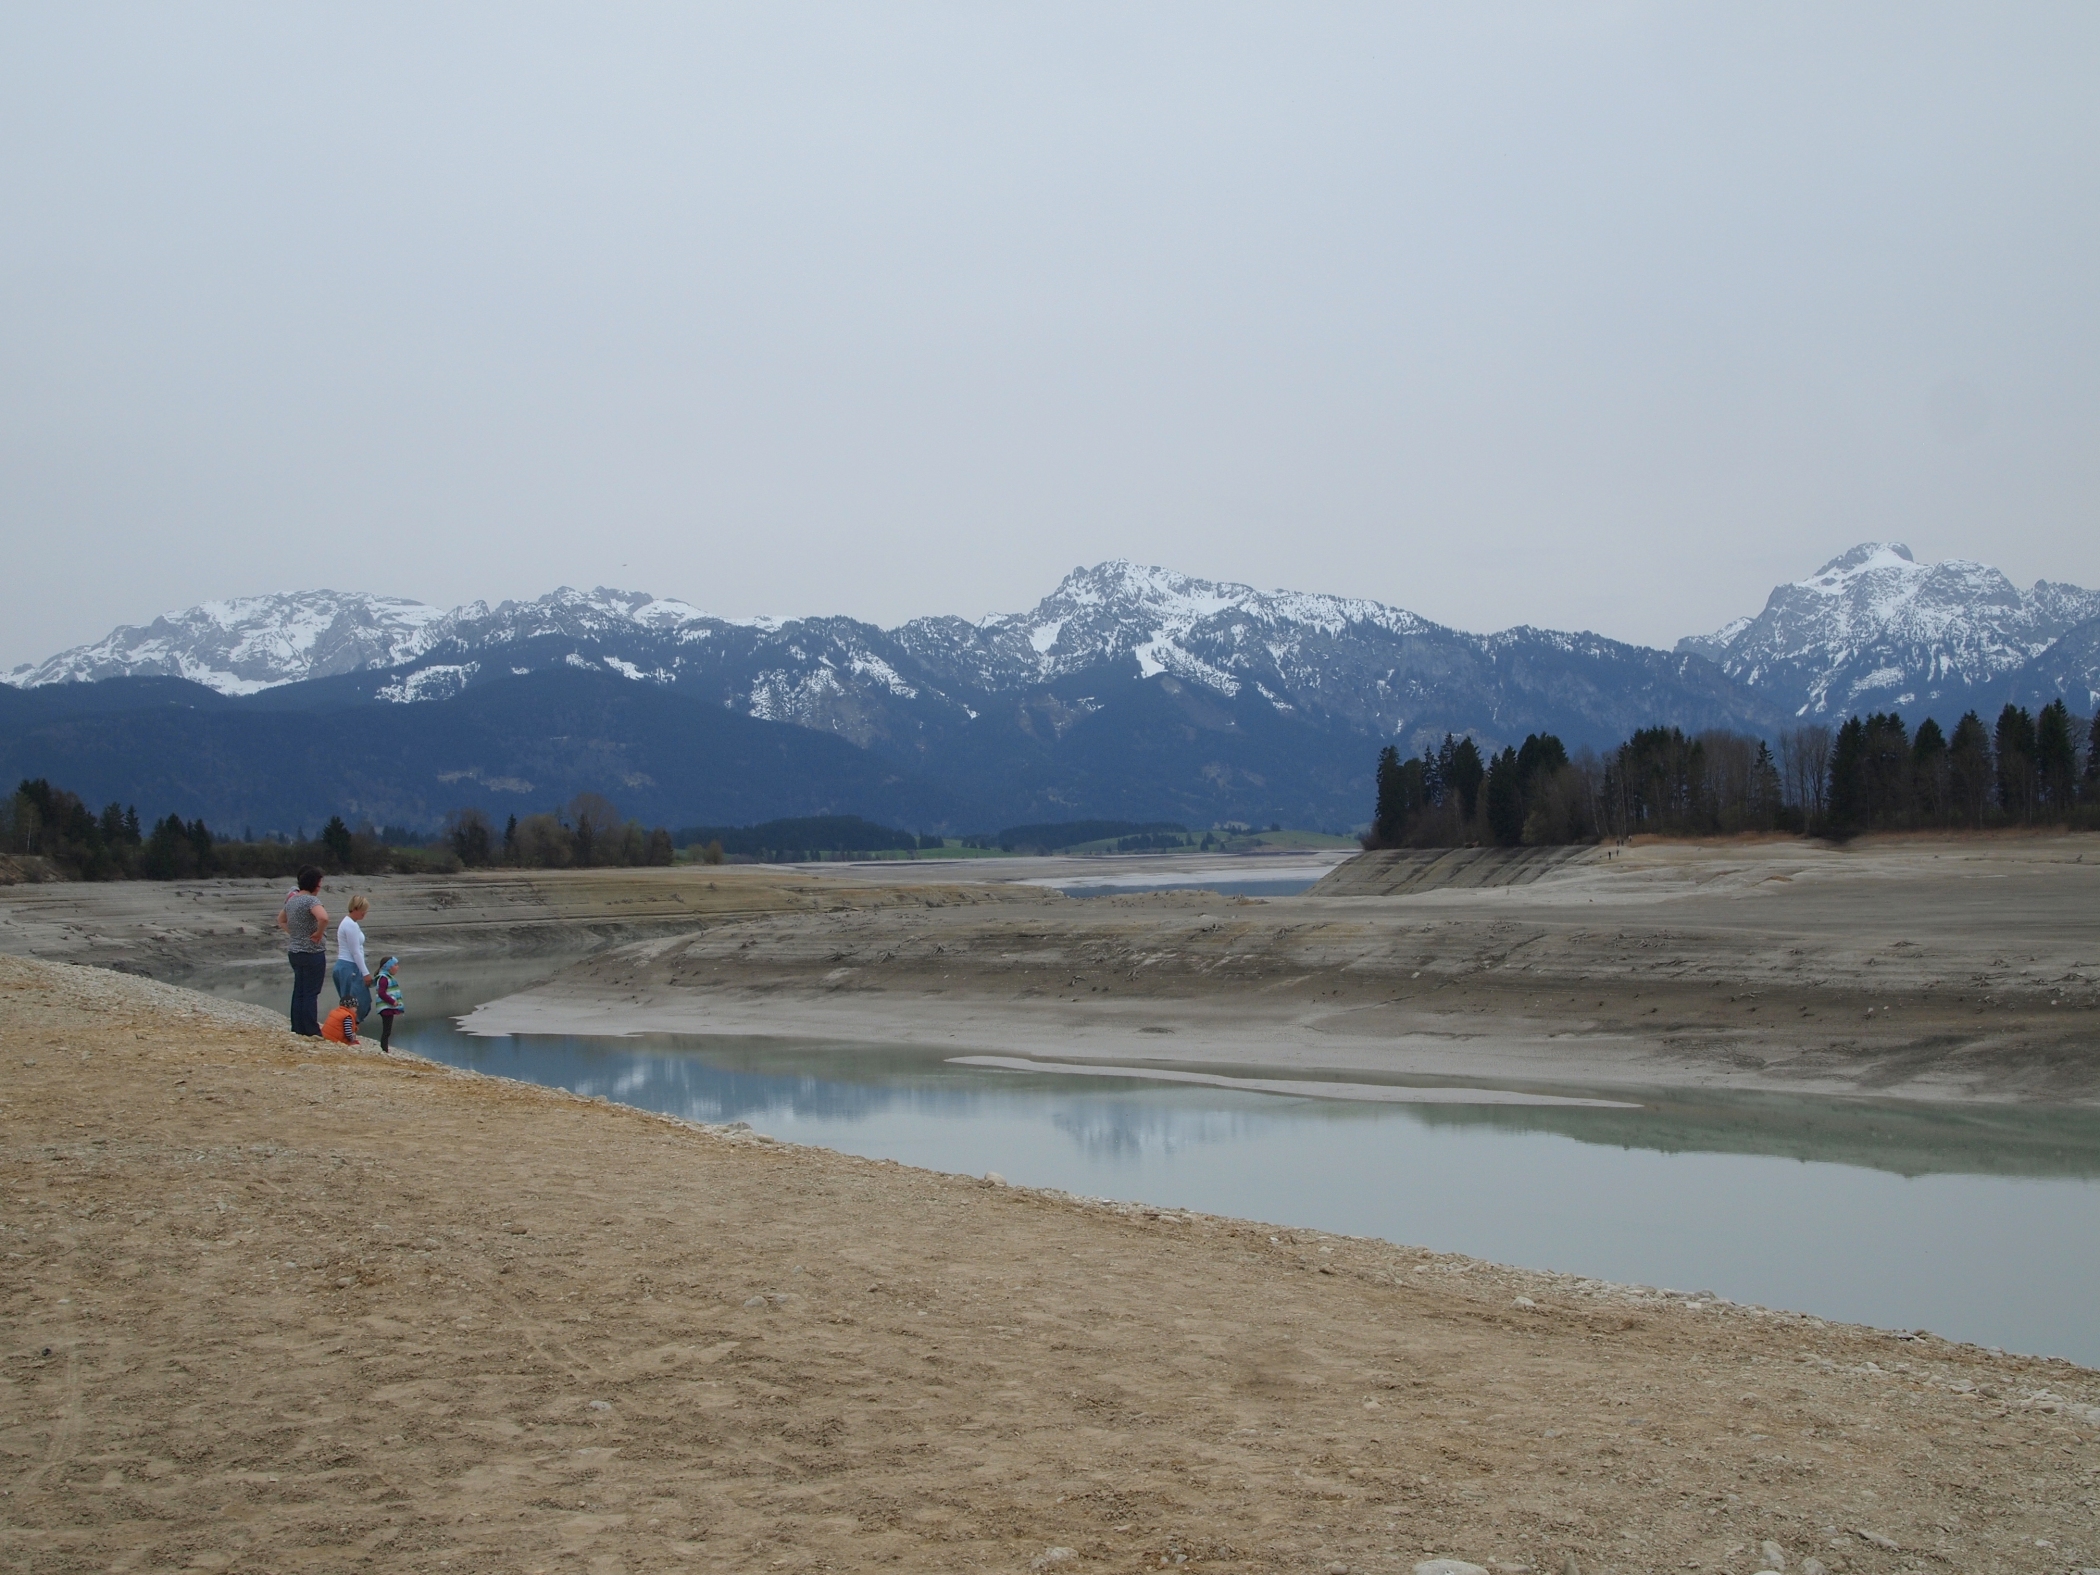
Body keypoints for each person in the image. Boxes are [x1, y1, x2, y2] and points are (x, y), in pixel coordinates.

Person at [276, 866, 329, 1036]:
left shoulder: (292, 900)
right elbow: (323, 917)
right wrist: (318, 933)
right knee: (311, 992)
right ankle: (311, 1029)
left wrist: (294, 932)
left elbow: (281, 919)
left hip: (295, 951)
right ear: (314, 885)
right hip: (312, 953)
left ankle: (298, 1027)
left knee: (299, 991)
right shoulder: (311, 901)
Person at [334, 895, 374, 1023]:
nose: (364, 914)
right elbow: (355, 952)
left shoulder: (350, 923)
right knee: (357, 1001)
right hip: (349, 966)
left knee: (354, 1001)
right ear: (355, 908)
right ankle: (349, 1029)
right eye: (363, 910)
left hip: (347, 966)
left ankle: (350, 1029)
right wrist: (366, 973)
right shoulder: (350, 925)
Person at [372, 956, 404, 1054]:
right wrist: (392, 1001)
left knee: (387, 1029)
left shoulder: (387, 977)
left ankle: (384, 1048)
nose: (397, 967)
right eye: (395, 965)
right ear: (388, 967)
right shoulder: (384, 978)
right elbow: (382, 993)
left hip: (388, 1007)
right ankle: (384, 1049)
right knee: (387, 1030)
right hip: (386, 1008)